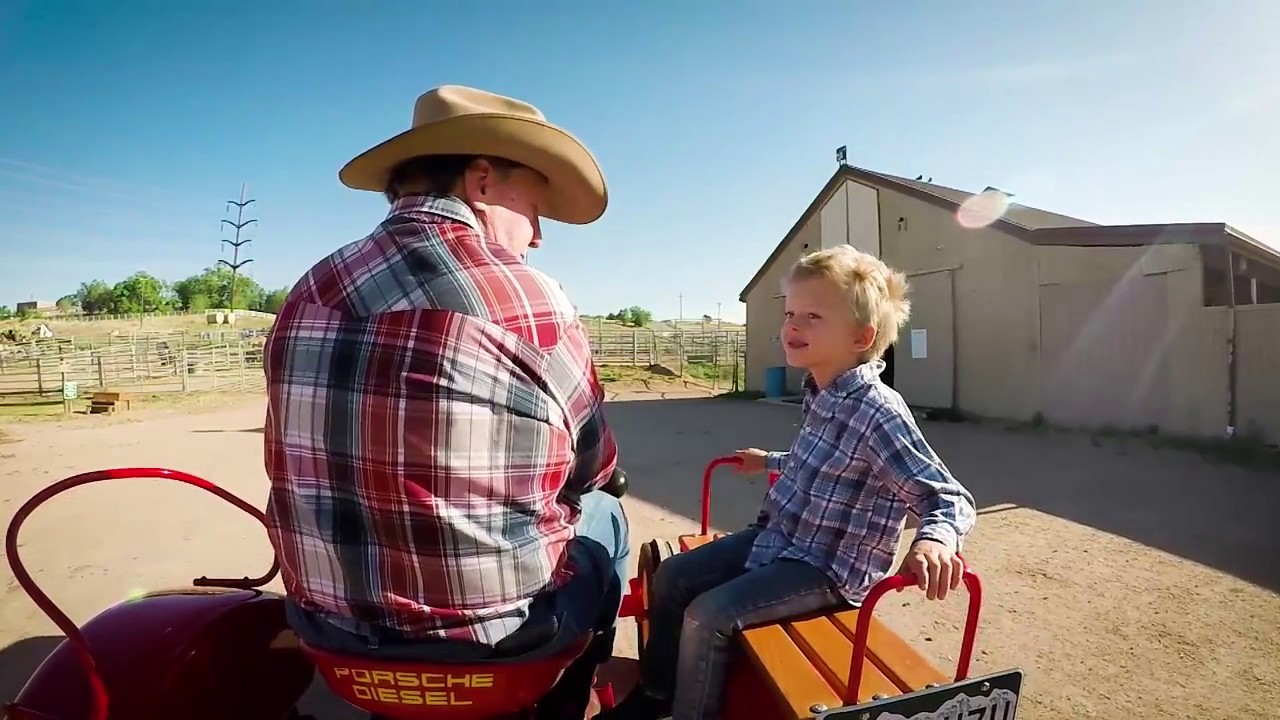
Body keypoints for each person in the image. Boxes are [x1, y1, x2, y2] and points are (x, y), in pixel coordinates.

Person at [261, 85, 629, 715]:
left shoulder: (308, 289)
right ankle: (572, 692)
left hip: (331, 628)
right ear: (482, 181)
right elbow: (591, 466)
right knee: (607, 517)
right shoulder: (529, 300)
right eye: (535, 208)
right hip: (493, 642)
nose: (538, 235)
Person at [603, 245, 978, 720]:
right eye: (790, 312)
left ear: (862, 336)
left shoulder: (878, 411)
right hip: (782, 539)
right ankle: (656, 694)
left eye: (813, 316)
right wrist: (770, 462)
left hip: (827, 569)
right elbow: (823, 464)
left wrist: (934, 542)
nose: (792, 325)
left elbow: (945, 496)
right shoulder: (821, 391)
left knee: (709, 615)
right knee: (673, 576)